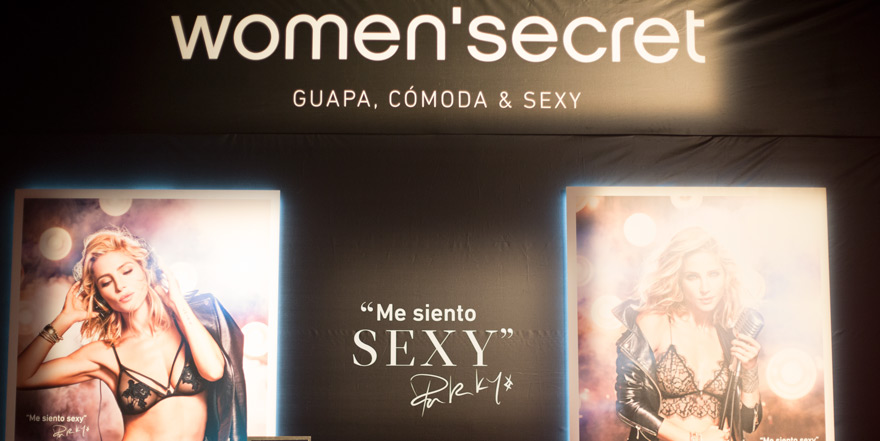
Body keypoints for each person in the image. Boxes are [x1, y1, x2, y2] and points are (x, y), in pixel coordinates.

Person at [18, 227, 247, 441]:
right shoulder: (105, 353)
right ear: (100, 294)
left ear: (145, 270)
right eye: (106, 282)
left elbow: (213, 371)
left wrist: (177, 302)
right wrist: (64, 319)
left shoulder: (190, 327)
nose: (120, 286)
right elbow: (19, 377)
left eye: (126, 271)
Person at [614, 227, 762, 441]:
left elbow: (748, 423)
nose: (705, 288)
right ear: (678, 279)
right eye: (693, 277)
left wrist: (750, 369)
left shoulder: (728, 336)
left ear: (726, 277)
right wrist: (694, 439)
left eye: (713, 274)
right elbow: (628, 403)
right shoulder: (655, 322)